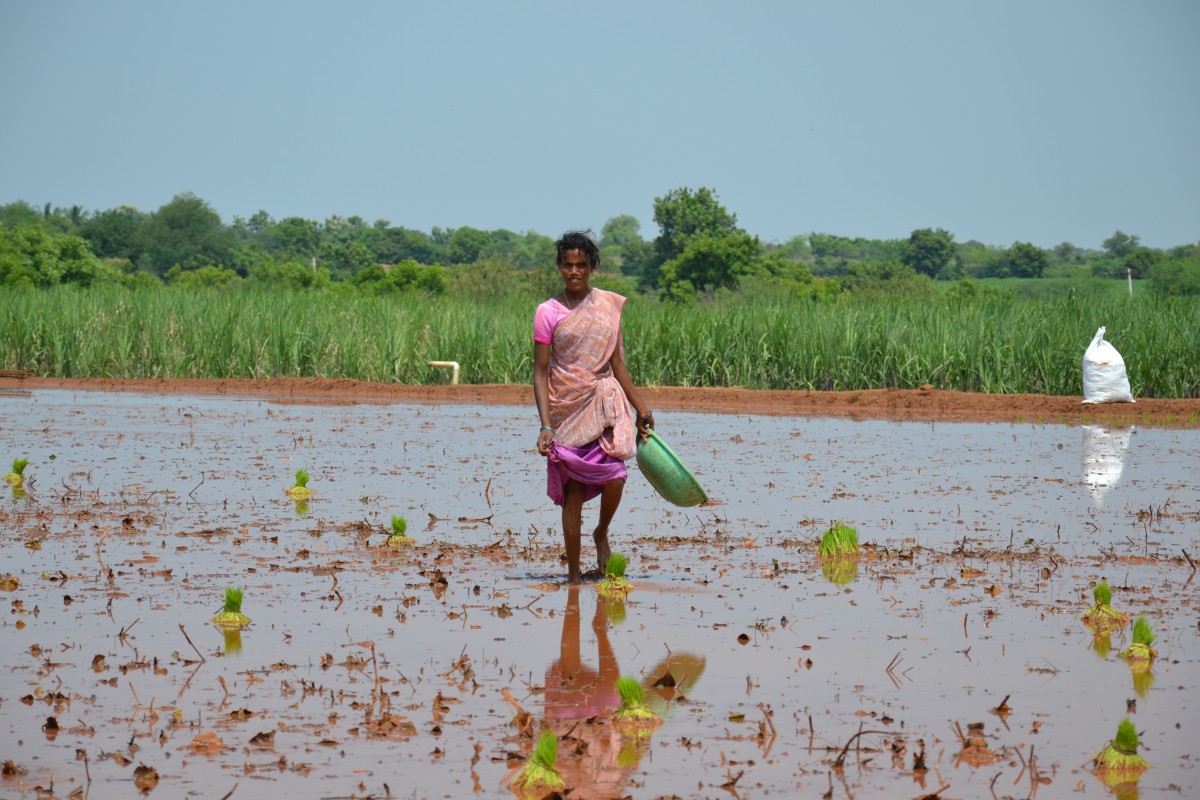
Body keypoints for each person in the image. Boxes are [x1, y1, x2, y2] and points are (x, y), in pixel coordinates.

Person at [533, 230, 653, 584]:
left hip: (603, 403)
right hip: (565, 407)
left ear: (592, 268)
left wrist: (641, 409)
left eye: (581, 265)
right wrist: (545, 425)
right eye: (568, 265)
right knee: (573, 493)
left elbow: (619, 365)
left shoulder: (607, 308)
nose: (574, 271)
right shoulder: (548, 312)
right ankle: (573, 575)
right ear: (559, 268)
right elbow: (540, 373)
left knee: (616, 475)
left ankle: (601, 532)